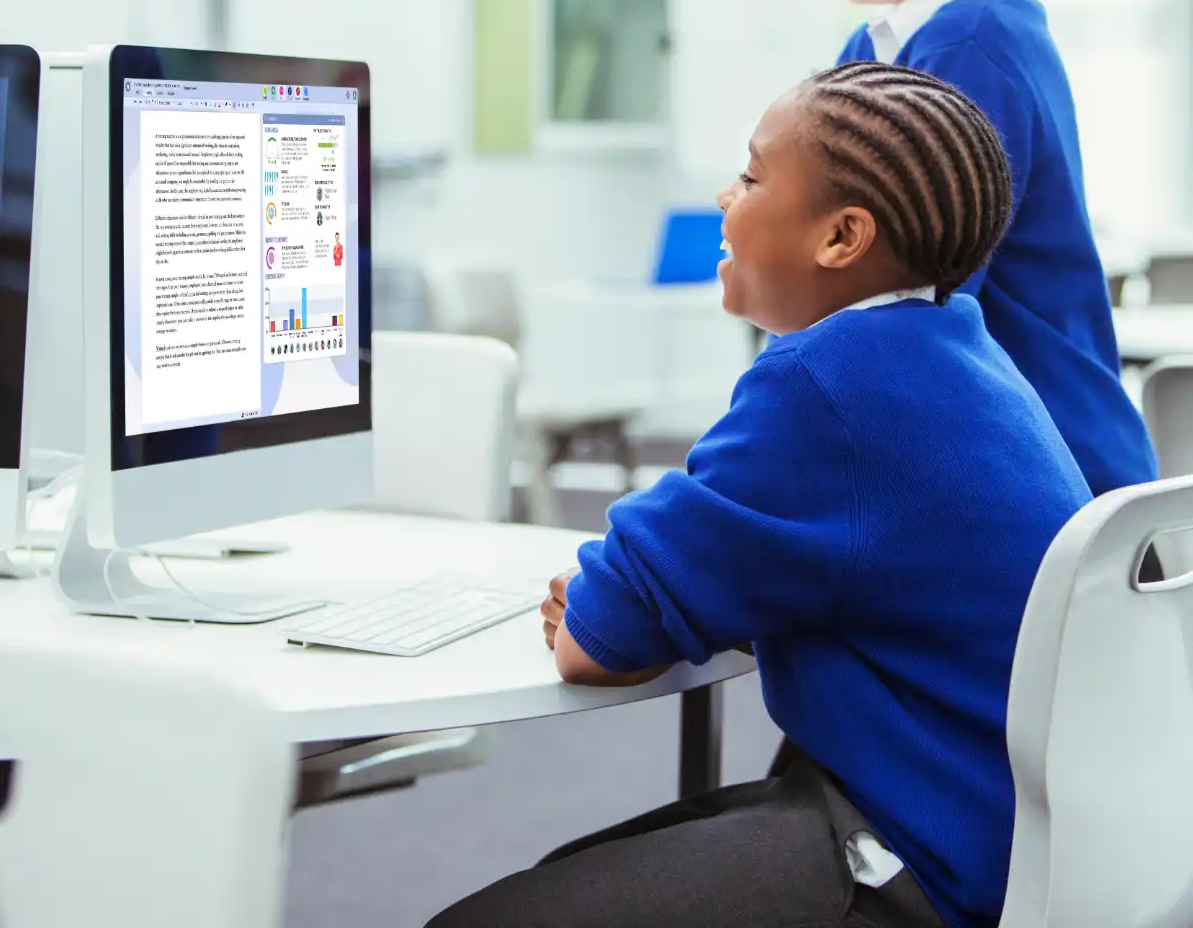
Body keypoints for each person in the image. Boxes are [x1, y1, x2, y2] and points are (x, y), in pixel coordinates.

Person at [426, 63, 1092, 928]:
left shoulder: (826, 383)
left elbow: (595, 638)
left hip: (922, 859)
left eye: (749, 175)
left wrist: (613, 605)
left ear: (841, 237)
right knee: (572, 875)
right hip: (998, 830)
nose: (723, 195)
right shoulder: (952, 347)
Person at [808, 0, 1156, 503]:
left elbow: (901, 303)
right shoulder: (891, 40)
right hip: (1001, 466)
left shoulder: (972, 47)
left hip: (1048, 483)